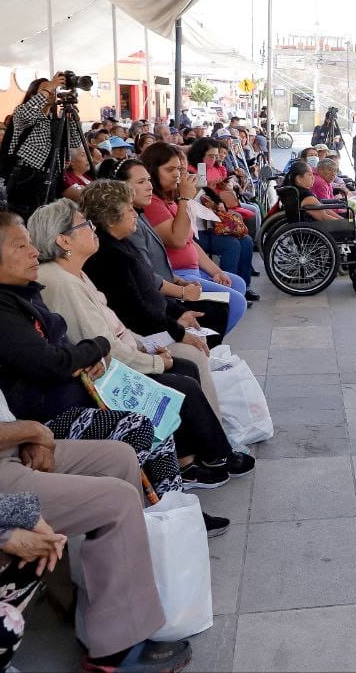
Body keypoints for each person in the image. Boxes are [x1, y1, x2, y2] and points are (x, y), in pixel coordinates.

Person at [0, 223, 192, 673]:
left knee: (119, 456)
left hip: (5, 445)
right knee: (117, 498)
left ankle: (104, 603)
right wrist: (31, 434)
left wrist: (27, 434)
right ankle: (115, 649)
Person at [0, 212, 199, 496]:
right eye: (20, 246)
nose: (34, 252)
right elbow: (52, 363)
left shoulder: (18, 291)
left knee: (156, 406)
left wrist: (95, 357)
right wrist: (99, 346)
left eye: (30, 243)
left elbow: (61, 348)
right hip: (39, 418)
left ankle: (172, 502)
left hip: (70, 396)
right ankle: (149, 508)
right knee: (141, 424)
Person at [30, 196, 251, 492]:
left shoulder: (76, 272)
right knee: (180, 379)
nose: (92, 228)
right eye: (84, 225)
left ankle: (202, 456)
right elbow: (103, 343)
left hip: (127, 350)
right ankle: (208, 458)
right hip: (103, 374)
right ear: (63, 241)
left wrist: (148, 348)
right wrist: (156, 360)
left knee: (185, 367)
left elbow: (116, 325)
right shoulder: (62, 281)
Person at [117, 159, 238, 337]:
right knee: (226, 306)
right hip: (160, 296)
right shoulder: (133, 219)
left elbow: (186, 244)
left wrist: (182, 282)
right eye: (141, 182)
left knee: (227, 298)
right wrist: (182, 290)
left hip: (172, 283)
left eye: (149, 180)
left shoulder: (141, 212)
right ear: (122, 187)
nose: (178, 174)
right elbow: (148, 271)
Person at [139, 143, 258, 303]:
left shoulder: (170, 199)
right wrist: (185, 199)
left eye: (180, 169)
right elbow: (178, 240)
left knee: (238, 283)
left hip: (193, 267)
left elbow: (190, 243)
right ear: (153, 171)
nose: (178, 175)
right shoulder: (154, 202)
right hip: (179, 274)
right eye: (170, 170)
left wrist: (216, 271)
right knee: (236, 301)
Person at [1, 77, 83, 220]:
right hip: (26, 177)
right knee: (27, 220)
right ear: (34, 95)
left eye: (53, 90)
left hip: (51, 176)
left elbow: (75, 141)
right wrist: (50, 85)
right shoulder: (23, 114)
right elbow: (26, 112)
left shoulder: (55, 119)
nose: (52, 92)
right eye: (47, 89)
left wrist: (71, 118)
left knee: (46, 221)